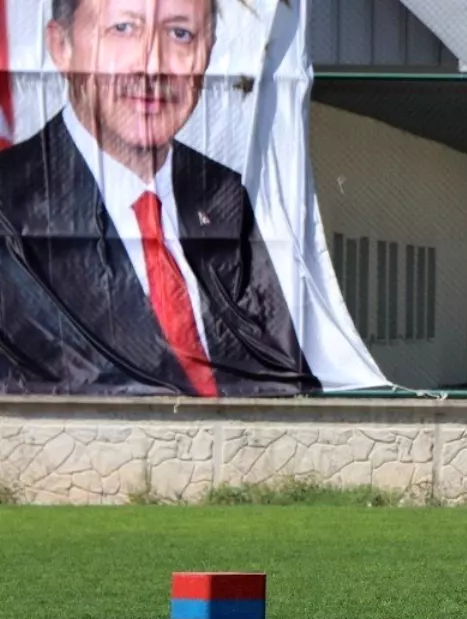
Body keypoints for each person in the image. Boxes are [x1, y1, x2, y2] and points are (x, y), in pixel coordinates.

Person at [0, 0, 318, 397]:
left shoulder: (227, 196)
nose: (152, 66)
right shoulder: (9, 205)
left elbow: (283, 377)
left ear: (208, 52)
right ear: (62, 46)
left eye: (180, 34)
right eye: (123, 29)